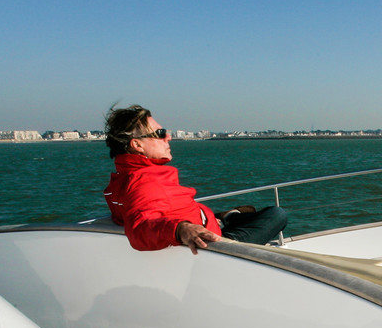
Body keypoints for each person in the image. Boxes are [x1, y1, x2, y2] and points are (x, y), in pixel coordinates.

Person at [102, 104, 289, 253]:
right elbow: (139, 228)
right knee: (277, 214)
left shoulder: (123, 178)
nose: (168, 137)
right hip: (217, 244)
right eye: (159, 133)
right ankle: (230, 217)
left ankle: (225, 217)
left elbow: (141, 210)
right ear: (137, 145)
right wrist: (181, 229)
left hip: (205, 224)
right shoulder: (145, 182)